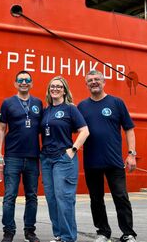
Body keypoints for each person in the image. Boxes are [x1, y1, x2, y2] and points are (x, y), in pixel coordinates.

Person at [77, 70, 137, 242]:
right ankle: (103, 232)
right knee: (96, 199)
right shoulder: (82, 106)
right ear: (86, 84)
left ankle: (128, 233)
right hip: (91, 161)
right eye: (90, 80)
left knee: (121, 197)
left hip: (114, 161)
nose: (94, 82)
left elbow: (129, 129)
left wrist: (131, 154)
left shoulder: (116, 103)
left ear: (104, 82)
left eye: (97, 79)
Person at [0, 71, 43, 242]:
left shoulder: (38, 103)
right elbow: (1, 128)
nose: (24, 82)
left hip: (32, 157)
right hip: (12, 156)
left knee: (32, 196)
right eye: (20, 80)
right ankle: (9, 231)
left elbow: (44, 129)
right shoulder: (8, 103)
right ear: (15, 84)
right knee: (10, 196)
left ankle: (29, 231)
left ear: (31, 83)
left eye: (27, 80)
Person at [41, 76, 89, 242]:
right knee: (52, 198)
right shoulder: (46, 110)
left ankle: (68, 237)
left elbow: (84, 131)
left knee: (64, 198)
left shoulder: (70, 109)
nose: (55, 89)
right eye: (52, 86)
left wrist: (73, 150)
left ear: (64, 90)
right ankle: (59, 235)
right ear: (49, 90)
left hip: (63, 158)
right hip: (46, 158)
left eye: (59, 87)